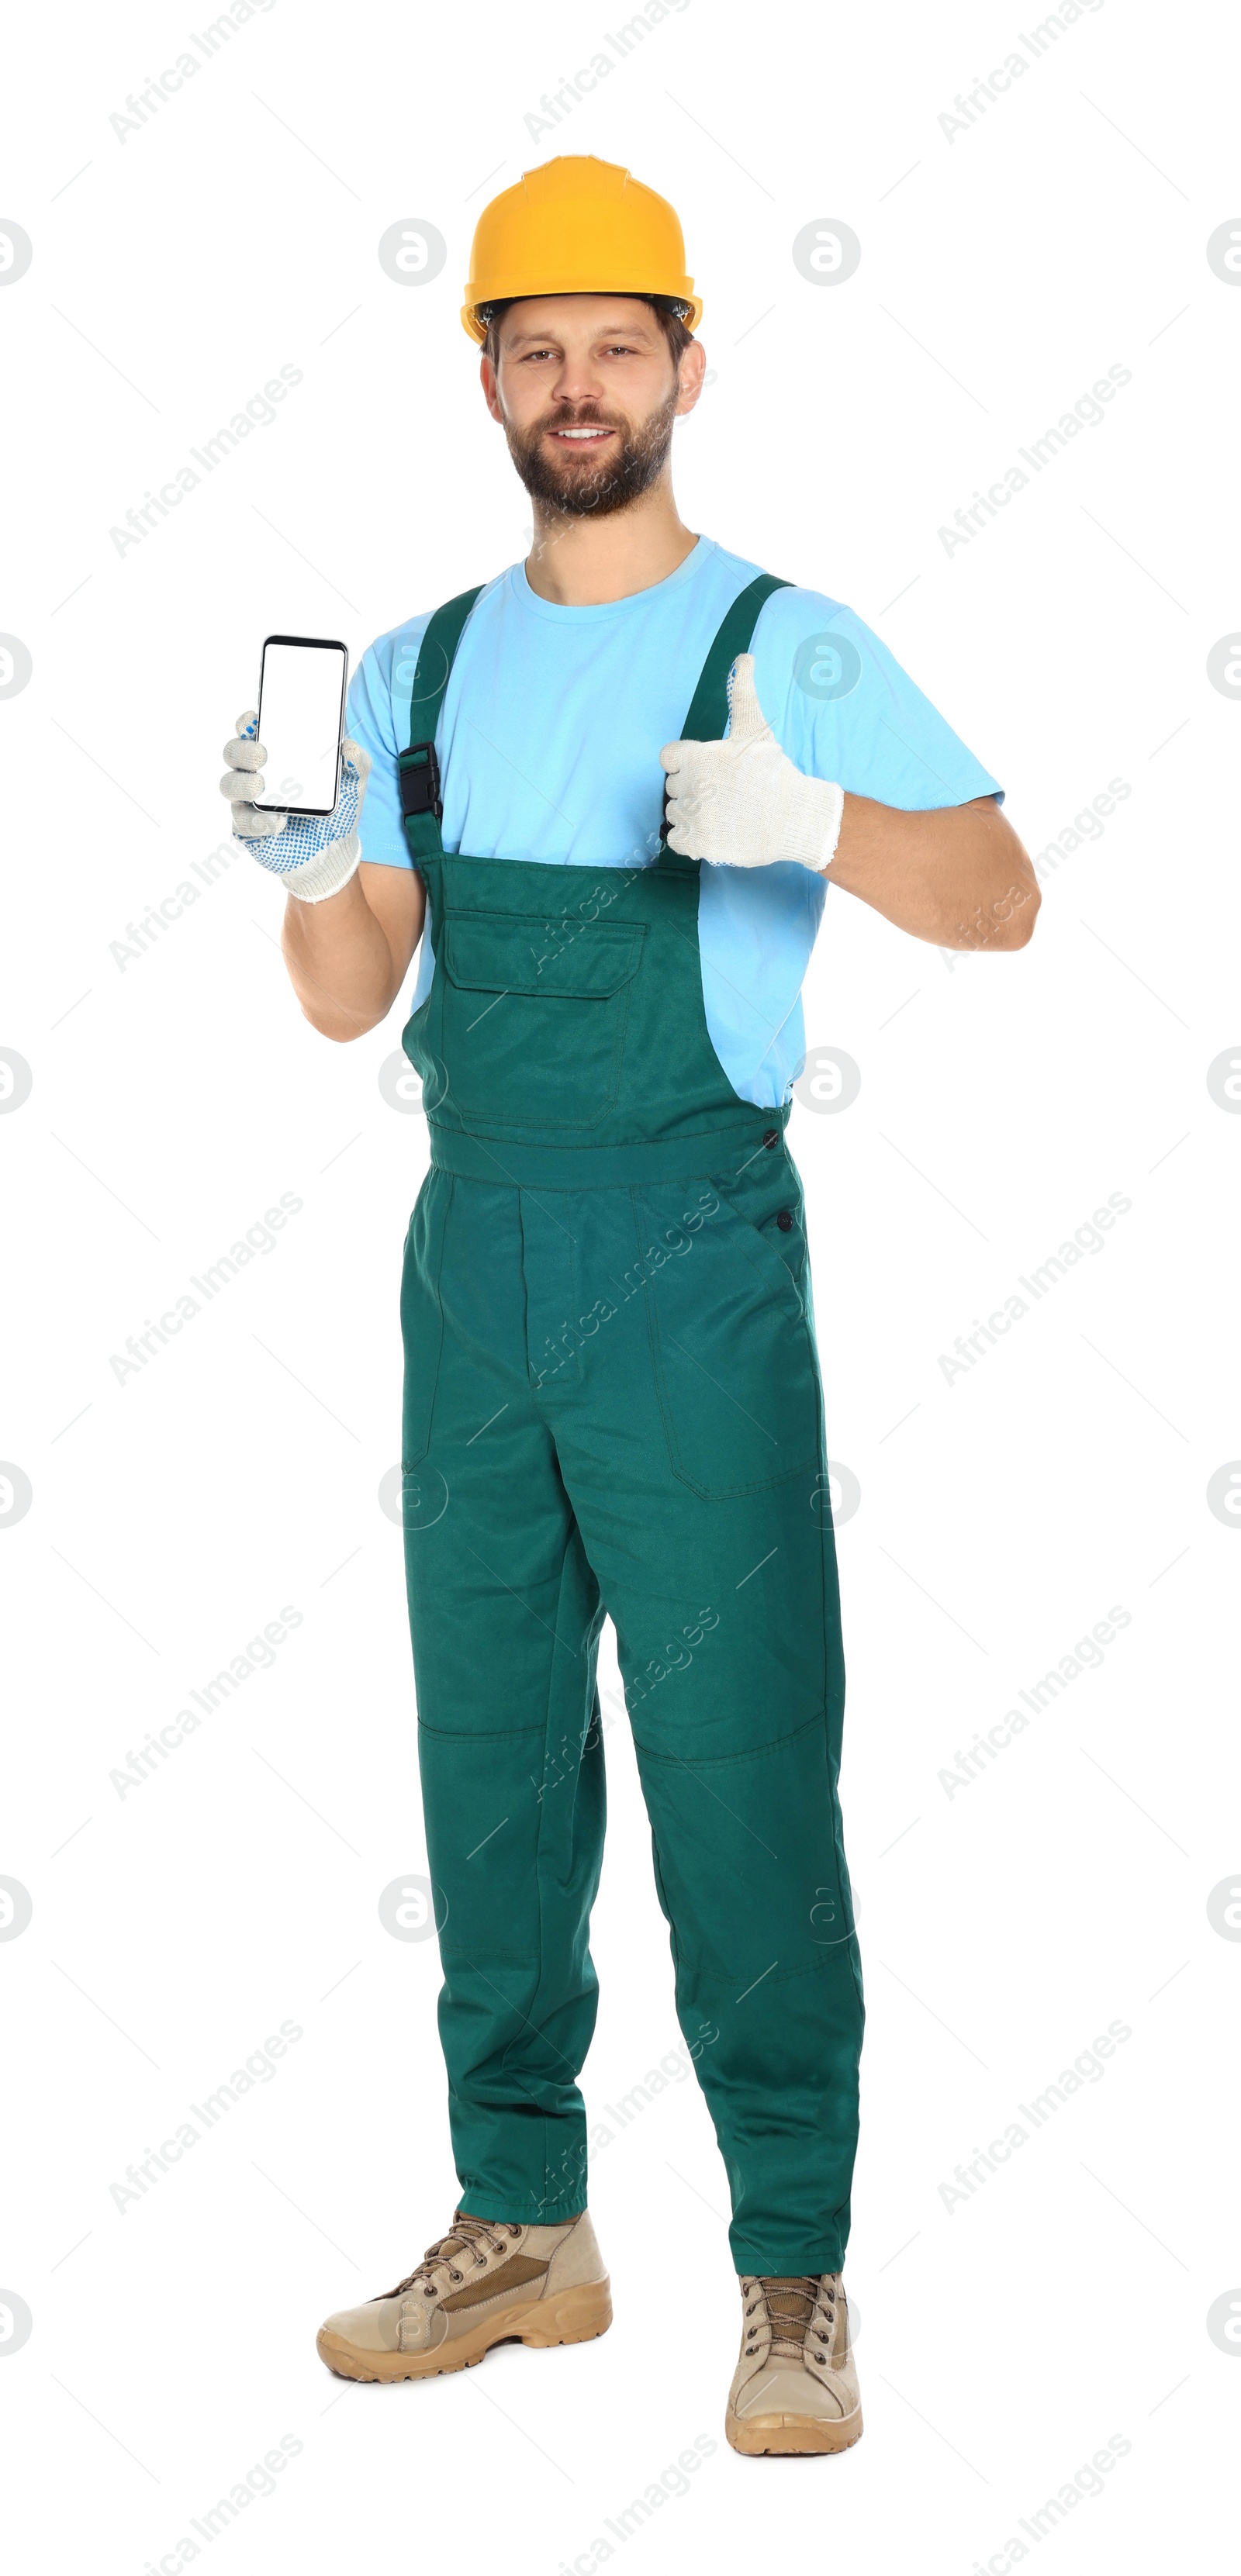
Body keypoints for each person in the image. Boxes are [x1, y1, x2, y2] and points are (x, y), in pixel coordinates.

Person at [220, 154, 1038, 2457]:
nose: (577, 388)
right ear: (480, 371)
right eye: (533, 347)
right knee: (489, 1757)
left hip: (690, 1255)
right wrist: (305, 861)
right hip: (470, 1251)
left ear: (688, 365)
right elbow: (347, 991)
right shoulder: (422, 662)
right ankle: (526, 2220)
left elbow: (1001, 900)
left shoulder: (793, 640)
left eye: (617, 346)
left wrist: (814, 825)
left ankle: (792, 2268)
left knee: (740, 1761)